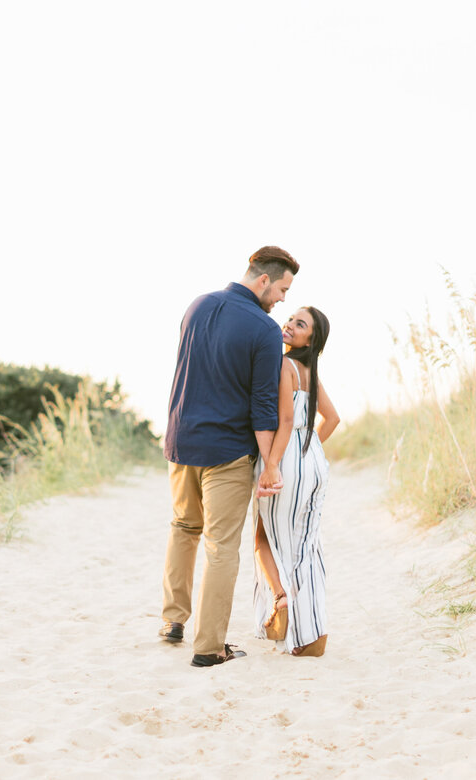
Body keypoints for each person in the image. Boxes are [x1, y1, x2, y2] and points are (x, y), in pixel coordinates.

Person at [159, 246, 300, 667]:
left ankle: (172, 622)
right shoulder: (263, 329)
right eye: (282, 289)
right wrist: (270, 463)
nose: (282, 299)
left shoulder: (196, 306)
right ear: (263, 281)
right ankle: (209, 647)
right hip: (226, 452)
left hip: (181, 442)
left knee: (184, 528)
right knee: (221, 546)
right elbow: (263, 407)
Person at [253, 306, 339, 656]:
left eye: (299, 324)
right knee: (306, 545)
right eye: (291, 318)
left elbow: (285, 422)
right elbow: (332, 419)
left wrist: (274, 464)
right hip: (313, 460)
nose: (289, 325)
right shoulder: (310, 371)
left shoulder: (285, 365)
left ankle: (279, 598)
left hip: (286, 456)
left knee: (263, 537)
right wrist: (310, 452)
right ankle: (313, 632)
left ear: (311, 339)